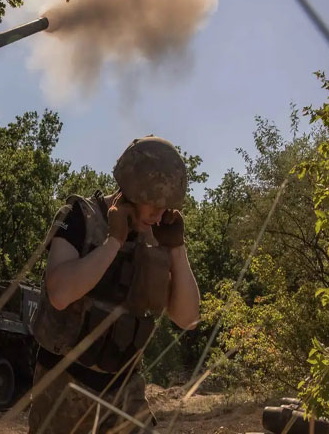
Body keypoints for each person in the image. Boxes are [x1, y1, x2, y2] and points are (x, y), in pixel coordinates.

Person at [28, 136, 201, 434]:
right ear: (131, 189)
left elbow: (188, 319)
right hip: (65, 386)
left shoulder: (156, 237)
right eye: (153, 203)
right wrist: (113, 242)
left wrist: (177, 249)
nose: (159, 214)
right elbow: (59, 294)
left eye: (166, 207)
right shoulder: (80, 216)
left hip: (125, 392)